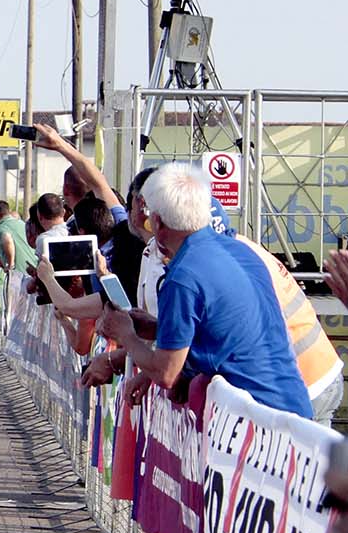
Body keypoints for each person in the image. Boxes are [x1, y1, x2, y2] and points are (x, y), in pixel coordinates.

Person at [95, 163, 311, 418]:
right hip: (292, 413)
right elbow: (225, 330)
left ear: (157, 223)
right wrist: (157, 328)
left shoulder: (183, 277)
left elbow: (166, 374)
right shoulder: (241, 251)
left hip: (255, 422)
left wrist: (126, 335)